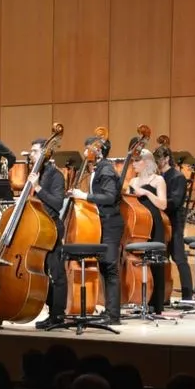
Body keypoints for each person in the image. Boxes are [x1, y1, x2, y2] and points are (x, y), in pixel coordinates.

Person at [70, 137, 123, 325]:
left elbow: (109, 197)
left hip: (111, 223)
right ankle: (109, 311)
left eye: (88, 149)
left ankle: (113, 316)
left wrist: (84, 196)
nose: (85, 153)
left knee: (110, 268)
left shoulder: (106, 169)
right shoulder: (99, 167)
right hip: (103, 223)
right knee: (105, 267)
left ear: (98, 151)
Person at [26, 139, 67, 329]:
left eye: (34, 151)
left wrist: (38, 188)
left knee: (56, 273)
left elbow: (57, 203)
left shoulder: (56, 175)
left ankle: (58, 314)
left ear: (45, 153)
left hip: (52, 228)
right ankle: (51, 311)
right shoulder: (37, 174)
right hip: (39, 229)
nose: (31, 155)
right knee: (44, 273)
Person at [129, 149, 168, 315]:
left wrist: (145, 192)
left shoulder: (158, 180)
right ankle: (140, 300)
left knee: (155, 264)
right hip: (138, 225)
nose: (134, 164)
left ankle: (156, 305)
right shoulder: (133, 180)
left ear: (147, 161)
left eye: (137, 160)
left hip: (154, 224)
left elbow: (163, 204)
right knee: (139, 261)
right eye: (133, 161)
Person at [154, 145, 193, 301]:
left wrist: (158, 201)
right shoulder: (157, 177)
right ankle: (162, 297)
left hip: (174, 222)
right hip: (161, 223)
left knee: (178, 257)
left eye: (158, 160)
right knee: (160, 259)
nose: (156, 163)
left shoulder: (177, 177)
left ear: (166, 159)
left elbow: (175, 202)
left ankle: (187, 296)